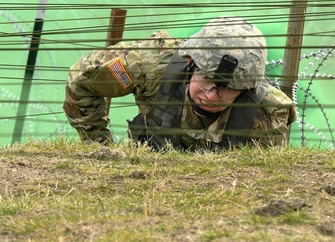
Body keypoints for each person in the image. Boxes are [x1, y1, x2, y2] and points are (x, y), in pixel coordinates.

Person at [62, 17, 295, 150]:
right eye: (206, 81)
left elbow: (265, 178)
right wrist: (99, 146)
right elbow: (82, 79)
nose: (212, 97)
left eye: (227, 90)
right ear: (191, 62)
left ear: (246, 89)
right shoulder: (150, 65)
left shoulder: (268, 113)